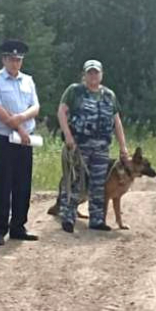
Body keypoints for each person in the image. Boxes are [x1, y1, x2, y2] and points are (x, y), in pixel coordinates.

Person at [58, 59, 128, 233]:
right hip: (79, 145)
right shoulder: (74, 91)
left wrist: (123, 147)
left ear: (101, 74)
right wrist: (67, 135)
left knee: (98, 184)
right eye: (90, 72)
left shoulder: (109, 95)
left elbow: (116, 122)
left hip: (102, 147)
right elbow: (61, 112)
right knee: (75, 181)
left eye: (96, 72)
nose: (93, 76)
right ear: (84, 75)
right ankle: (68, 217)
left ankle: (97, 219)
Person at [0, 40, 40, 245]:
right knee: (3, 184)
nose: (15, 63)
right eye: (11, 59)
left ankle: (18, 226)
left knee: (22, 184)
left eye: (18, 60)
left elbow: (35, 106)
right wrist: (18, 126)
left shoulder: (28, 81)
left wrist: (22, 118)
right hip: (5, 138)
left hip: (26, 139)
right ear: (4, 59)